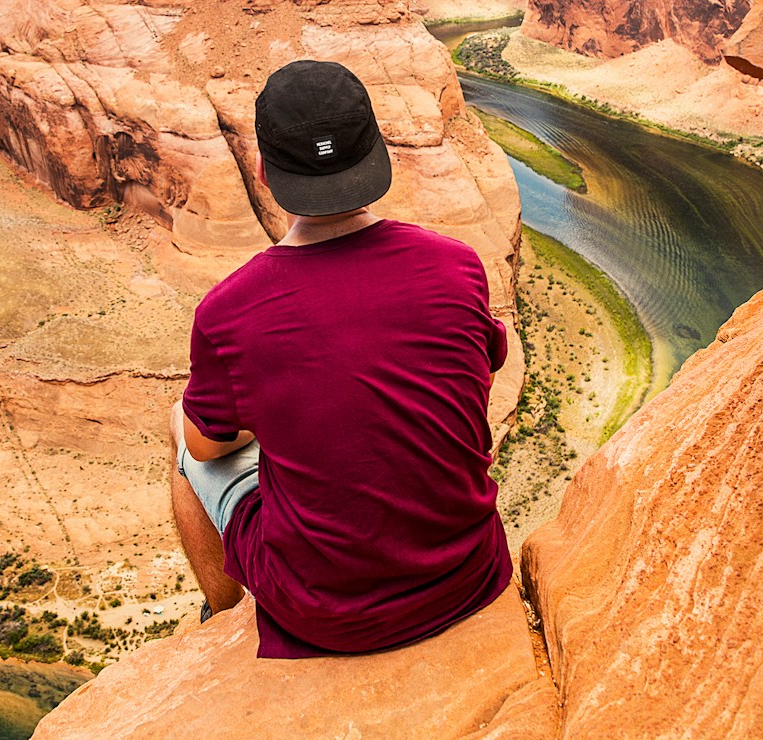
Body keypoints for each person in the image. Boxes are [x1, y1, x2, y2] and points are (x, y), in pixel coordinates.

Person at [169, 58, 512, 659]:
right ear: (376, 152)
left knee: (181, 431)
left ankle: (221, 617)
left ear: (263, 172)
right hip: (469, 576)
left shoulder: (231, 312)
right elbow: (479, 372)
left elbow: (207, 449)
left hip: (330, 616)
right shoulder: (457, 265)